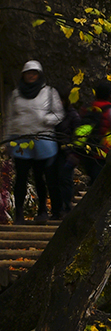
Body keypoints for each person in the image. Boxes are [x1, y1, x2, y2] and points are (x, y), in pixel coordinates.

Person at [3, 60, 64, 223]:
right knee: (21, 177)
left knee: (40, 177)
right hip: (20, 140)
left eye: (34, 73)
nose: (31, 76)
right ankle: (19, 214)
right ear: (23, 75)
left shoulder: (50, 92)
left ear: (39, 75)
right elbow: (9, 118)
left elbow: (59, 114)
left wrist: (46, 119)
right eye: (28, 73)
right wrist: (7, 140)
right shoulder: (16, 94)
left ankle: (43, 210)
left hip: (42, 139)